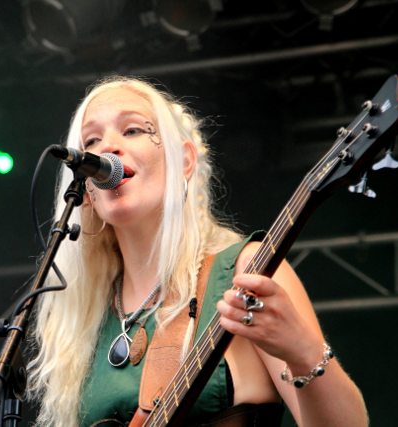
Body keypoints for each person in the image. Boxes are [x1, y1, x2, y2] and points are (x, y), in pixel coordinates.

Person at [26, 76, 368, 427]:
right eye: (92, 140)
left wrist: (301, 352)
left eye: (131, 131)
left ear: (184, 161)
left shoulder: (246, 271)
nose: (107, 148)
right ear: (86, 192)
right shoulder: (84, 317)